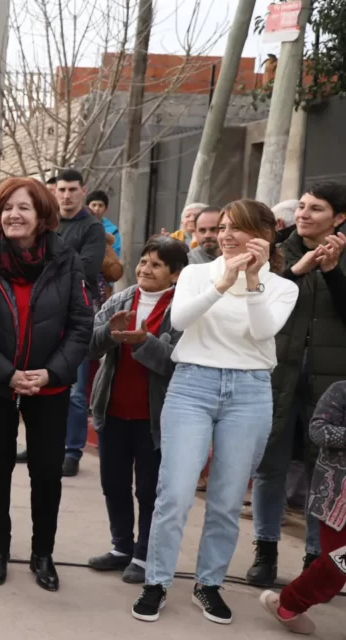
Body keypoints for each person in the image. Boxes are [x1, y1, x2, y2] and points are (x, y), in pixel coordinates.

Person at [131, 199, 298, 625]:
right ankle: (157, 580)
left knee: (225, 500)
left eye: (236, 228)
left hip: (250, 391)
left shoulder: (283, 287)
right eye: (222, 226)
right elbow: (181, 320)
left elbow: (262, 332)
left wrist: (254, 281)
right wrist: (222, 283)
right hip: (193, 385)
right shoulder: (195, 272)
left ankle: (209, 584)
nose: (225, 235)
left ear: (264, 236)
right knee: (176, 492)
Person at [0, 176, 93, 592]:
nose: (14, 215)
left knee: (46, 471)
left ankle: (42, 553)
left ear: (41, 217)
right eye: (6, 208)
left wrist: (52, 372)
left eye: (24, 208)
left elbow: (80, 324)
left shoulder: (66, 262)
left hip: (47, 384)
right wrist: (6, 373)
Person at [245, 182, 346, 587]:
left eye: (316, 209)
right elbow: (255, 298)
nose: (304, 214)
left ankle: (314, 561)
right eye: (302, 206)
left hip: (332, 381)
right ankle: (265, 553)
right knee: (271, 465)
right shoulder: (277, 250)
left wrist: (332, 272)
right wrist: (296, 270)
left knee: (322, 470)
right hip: (277, 370)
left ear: (338, 218)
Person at [86, 237, 188, 585]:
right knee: (113, 482)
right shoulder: (120, 298)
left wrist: (144, 342)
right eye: (143, 261)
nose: (145, 269)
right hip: (112, 409)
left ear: (175, 274)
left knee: (148, 489)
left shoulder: (182, 309)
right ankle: (120, 547)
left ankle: (145, 554)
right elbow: (88, 343)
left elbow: (177, 364)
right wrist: (109, 335)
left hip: (154, 417)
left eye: (156, 265)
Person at [258, 378, 346, 635]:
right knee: (336, 564)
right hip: (337, 500)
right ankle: (287, 604)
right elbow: (318, 430)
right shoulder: (340, 391)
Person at [55, 168, 106, 477]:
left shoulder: (93, 228)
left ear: (83, 190)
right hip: (42, 318)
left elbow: (86, 269)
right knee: (38, 384)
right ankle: (40, 444)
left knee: (74, 390)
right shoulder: (46, 223)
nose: (66, 195)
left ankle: (72, 451)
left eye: (72, 189)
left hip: (76, 318)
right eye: (61, 189)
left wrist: (49, 267)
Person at [86, 190, 121, 256]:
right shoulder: (80, 225)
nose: (96, 209)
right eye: (94, 205)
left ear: (106, 209)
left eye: (100, 205)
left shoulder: (113, 230)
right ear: (87, 207)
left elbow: (116, 253)